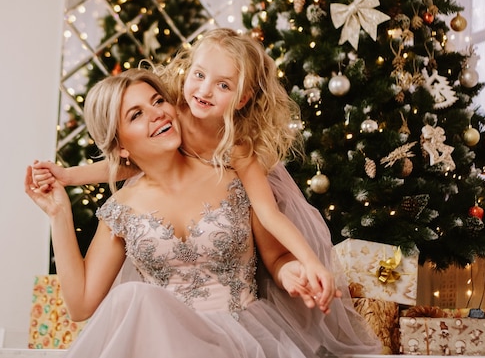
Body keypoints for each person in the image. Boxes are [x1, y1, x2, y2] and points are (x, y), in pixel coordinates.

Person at [33, 29, 382, 354]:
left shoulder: (234, 167)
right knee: (134, 298)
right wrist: (60, 204)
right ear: (120, 144)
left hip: (239, 337)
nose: (158, 114)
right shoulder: (122, 208)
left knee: (134, 298)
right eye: (136, 115)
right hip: (164, 343)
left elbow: (272, 234)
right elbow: (80, 305)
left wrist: (298, 266)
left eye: (157, 100)